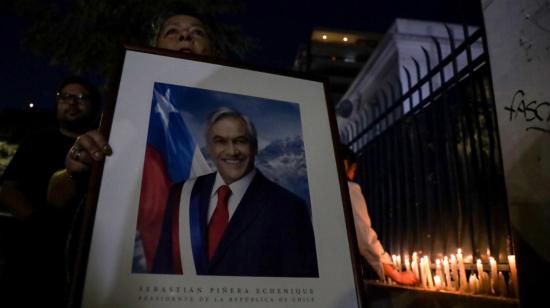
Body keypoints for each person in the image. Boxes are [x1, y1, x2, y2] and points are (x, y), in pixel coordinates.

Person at [152, 107, 319, 277]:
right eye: (220, 141)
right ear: (209, 148)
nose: (232, 151)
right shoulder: (181, 195)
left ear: (254, 147)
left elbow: (301, 287)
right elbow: (162, 268)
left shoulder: (289, 208)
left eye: (240, 141)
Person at [0, 76, 101, 306]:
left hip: (85, 254)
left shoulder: (103, 148)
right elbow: (8, 189)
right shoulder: (35, 142)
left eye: (81, 98)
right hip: (33, 255)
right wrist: (37, 223)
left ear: (96, 106)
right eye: (65, 97)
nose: (72, 103)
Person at [338, 143, 418, 285]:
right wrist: (396, 275)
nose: (353, 175)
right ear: (345, 165)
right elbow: (364, 237)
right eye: (353, 171)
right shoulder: (348, 190)